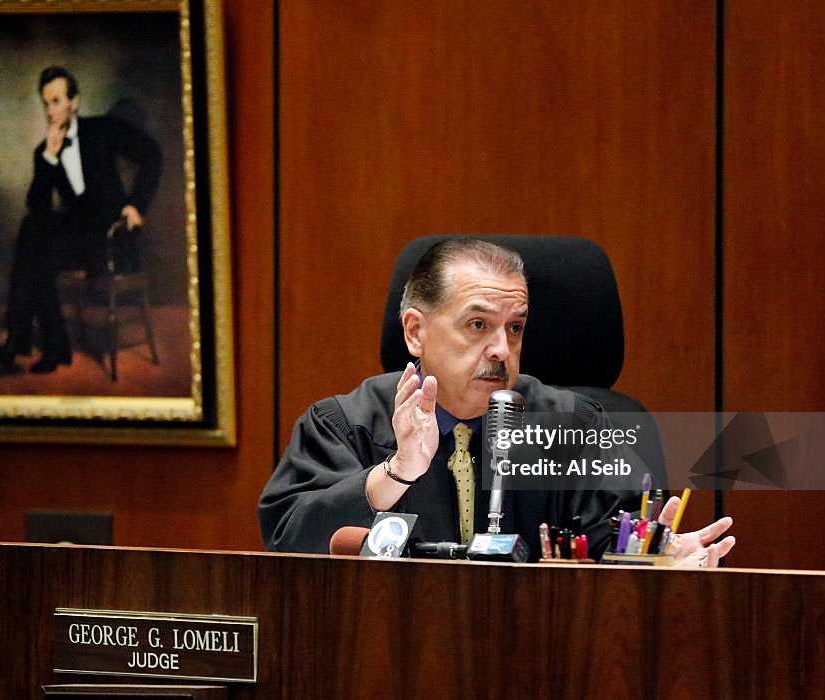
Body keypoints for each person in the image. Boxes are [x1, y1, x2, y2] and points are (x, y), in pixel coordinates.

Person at [258, 237, 736, 566]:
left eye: (515, 328)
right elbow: (289, 539)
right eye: (477, 325)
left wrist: (654, 555)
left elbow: (616, 543)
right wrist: (396, 471)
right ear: (415, 331)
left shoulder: (572, 427)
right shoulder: (345, 424)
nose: (501, 351)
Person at [0, 66, 162, 373]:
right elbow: (38, 209)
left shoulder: (103, 129)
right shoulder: (45, 151)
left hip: (113, 236)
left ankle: (26, 338)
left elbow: (152, 153)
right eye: (46, 103)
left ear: (75, 102)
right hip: (79, 239)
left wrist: (137, 204)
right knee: (34, 234)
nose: (50, 110)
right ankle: (40, 343)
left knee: (36, 249)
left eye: (57, 101)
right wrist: (51, 157)